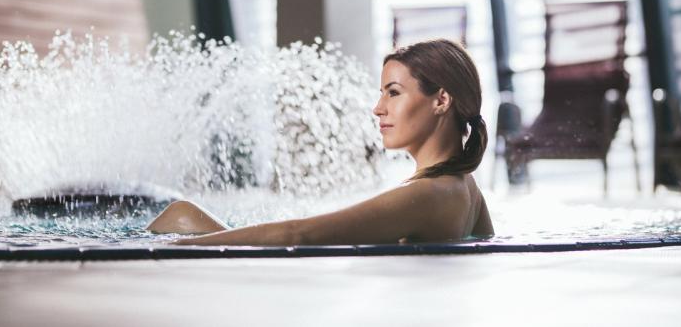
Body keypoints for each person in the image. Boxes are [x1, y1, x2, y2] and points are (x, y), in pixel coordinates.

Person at [148, 38, 494, 245]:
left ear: (441, 100)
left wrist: (175, 248)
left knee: (181, 215)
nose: (378, 108)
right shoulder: (465, 188)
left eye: (393, 93)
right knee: (183, 213)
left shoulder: (428, 194)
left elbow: (298, 236)